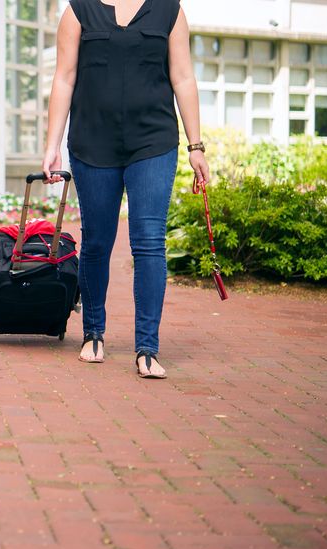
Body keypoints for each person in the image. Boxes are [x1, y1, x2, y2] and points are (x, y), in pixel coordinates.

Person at [42, 0, 211, 378]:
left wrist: (196, 145)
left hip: (152, 142)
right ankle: (94, 334)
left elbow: (182, 77)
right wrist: (52, 145)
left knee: (150, 239)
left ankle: (147, 347)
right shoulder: (78, 10)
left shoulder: (169, 10)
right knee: (98, 240)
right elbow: (64, 78)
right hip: (92, 143)